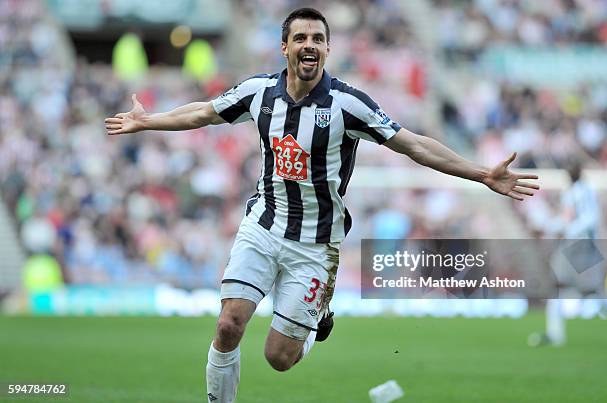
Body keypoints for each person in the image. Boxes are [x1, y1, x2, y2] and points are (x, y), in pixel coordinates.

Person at [105, 8, 539, 402]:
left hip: (315, 245)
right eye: (300, 38)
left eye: (317, 38)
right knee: (227, 325)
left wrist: (480, 172)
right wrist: (148, 122)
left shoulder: (348, 104)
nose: (309, 45)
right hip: (263, 224)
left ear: (328, 48)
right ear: (285, 47)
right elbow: (204, 112)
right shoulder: (258, 93)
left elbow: (412, 144)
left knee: (279, 357)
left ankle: (316, 319)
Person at [529, 158, 601, 347]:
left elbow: (587, 218)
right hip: (577, 243)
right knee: (570, 288)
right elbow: (568, 219)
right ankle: (555, 333)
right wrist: (548, 227)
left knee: (585, 289)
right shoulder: (579, 191)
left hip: (578, 244)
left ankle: (556, 334)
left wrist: (556, 229)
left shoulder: (580, 192)